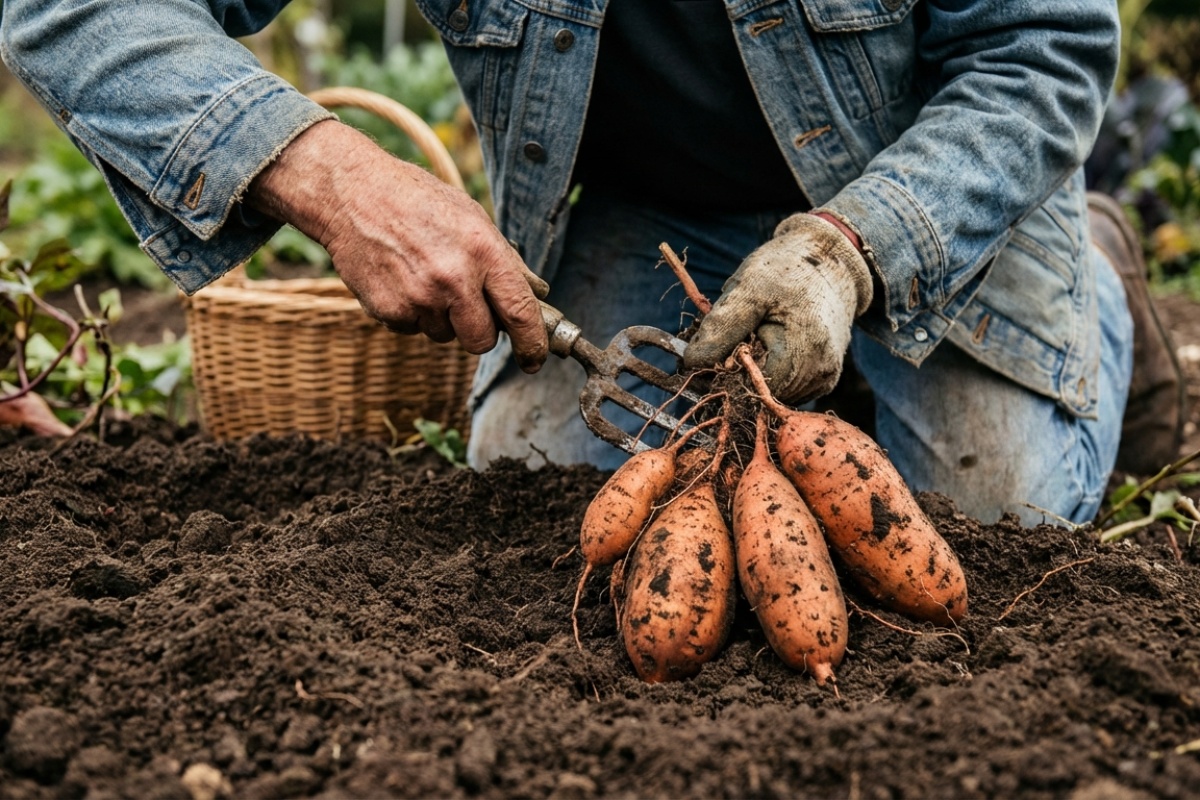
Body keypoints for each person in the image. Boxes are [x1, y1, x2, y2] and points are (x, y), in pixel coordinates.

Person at [0, 0, 1183, 525]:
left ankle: (1092, 274)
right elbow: (68, 4)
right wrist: (328, 172)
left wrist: (855, 247)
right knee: (535, 487)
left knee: (989, 514)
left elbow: (1042, 48)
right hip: (663, 214)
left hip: (938, 205)